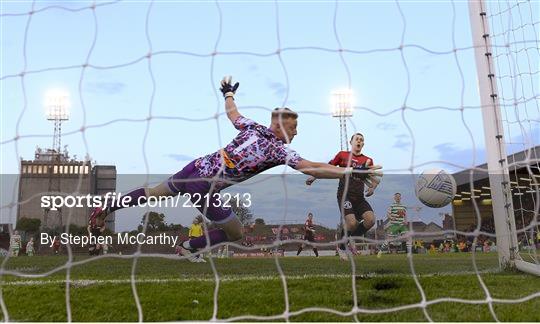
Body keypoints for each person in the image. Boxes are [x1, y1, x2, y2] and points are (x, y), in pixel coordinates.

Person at [89, 76, 382, 261]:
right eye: (294, 128)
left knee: (153, 192)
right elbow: (313, 169)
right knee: (236, 231)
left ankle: (108, 206)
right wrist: (349, 171)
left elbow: (233, 113)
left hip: (196, 166)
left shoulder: (252, 126)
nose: (296, 133)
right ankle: (191, 247)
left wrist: (228, 92)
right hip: (205, 185)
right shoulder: (277, 149)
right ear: (280, 126)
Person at [306, 133, 382, 261]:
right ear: (351, 142)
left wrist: (372, 188)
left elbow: (372, 178)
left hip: (359, 197)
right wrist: (314, 176)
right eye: (357, 139)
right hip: (344, 194)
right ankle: (341, 247)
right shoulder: (342, 155)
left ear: (363, 144)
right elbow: (328, 167)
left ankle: (348, 237)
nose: (359, 141)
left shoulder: (367, 160)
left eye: (361, 140)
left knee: (371, 220)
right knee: (352, 223)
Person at [378, 193, 408, 257]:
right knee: (389, 239)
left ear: (401, 198)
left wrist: (405, 220)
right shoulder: (392, 206)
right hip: (394, 225)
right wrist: (391, 217)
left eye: (399, 197)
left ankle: (409, 253)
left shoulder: (403, 206)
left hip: (402, 225)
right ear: (394, 198)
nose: (398, 198)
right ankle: (380, 251)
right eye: (396, 197)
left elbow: (405, 214)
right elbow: (388, 215)